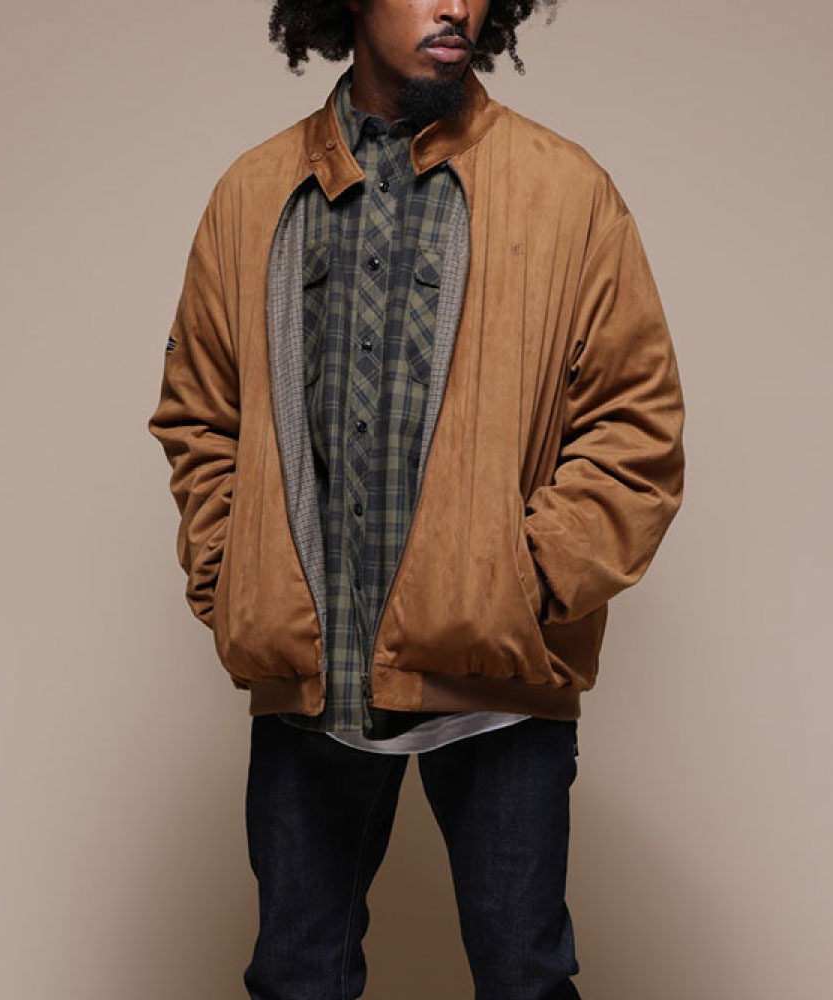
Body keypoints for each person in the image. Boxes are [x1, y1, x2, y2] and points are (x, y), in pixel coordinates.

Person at [146, 0, 686, 996]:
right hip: (309, 688)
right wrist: (234, 579)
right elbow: (199, 415)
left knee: (524, 980)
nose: (455, 7)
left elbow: (635, 428)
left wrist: (521, 583)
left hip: (498, 689)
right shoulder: (253, 193)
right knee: (295, 979)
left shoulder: (565, 191)